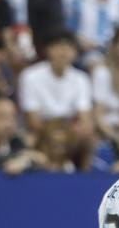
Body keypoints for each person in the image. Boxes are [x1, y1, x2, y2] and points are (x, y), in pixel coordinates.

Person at [18, 31, 94, 160]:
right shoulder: (30, 76)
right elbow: (32, 120)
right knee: (30, 139)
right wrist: (55, 133)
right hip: (42, 129)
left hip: (70, 130)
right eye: (58, 47)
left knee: (88, 135)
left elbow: (84, 117)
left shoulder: (81, 78)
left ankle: (84, 176)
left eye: (69, 48)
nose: (63, 53)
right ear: (48, 50)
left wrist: (68, 132)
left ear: (75, 53)